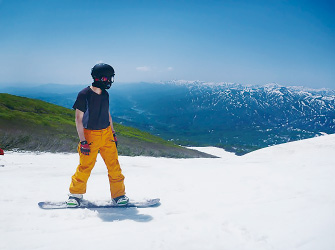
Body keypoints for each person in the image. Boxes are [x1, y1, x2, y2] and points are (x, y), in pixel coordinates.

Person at [67, 63, 129, 207]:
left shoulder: (105, 94)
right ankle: (75, 195)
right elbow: (78, 119)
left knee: (114, 166)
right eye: (108, 78)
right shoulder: (84, 94)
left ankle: (118, 195)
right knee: (85, 166)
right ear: (100, 78)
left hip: (107, 134)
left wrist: (113, 133)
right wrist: (83, 141)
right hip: (90, 136)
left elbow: (107, 114)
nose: (110, 81)